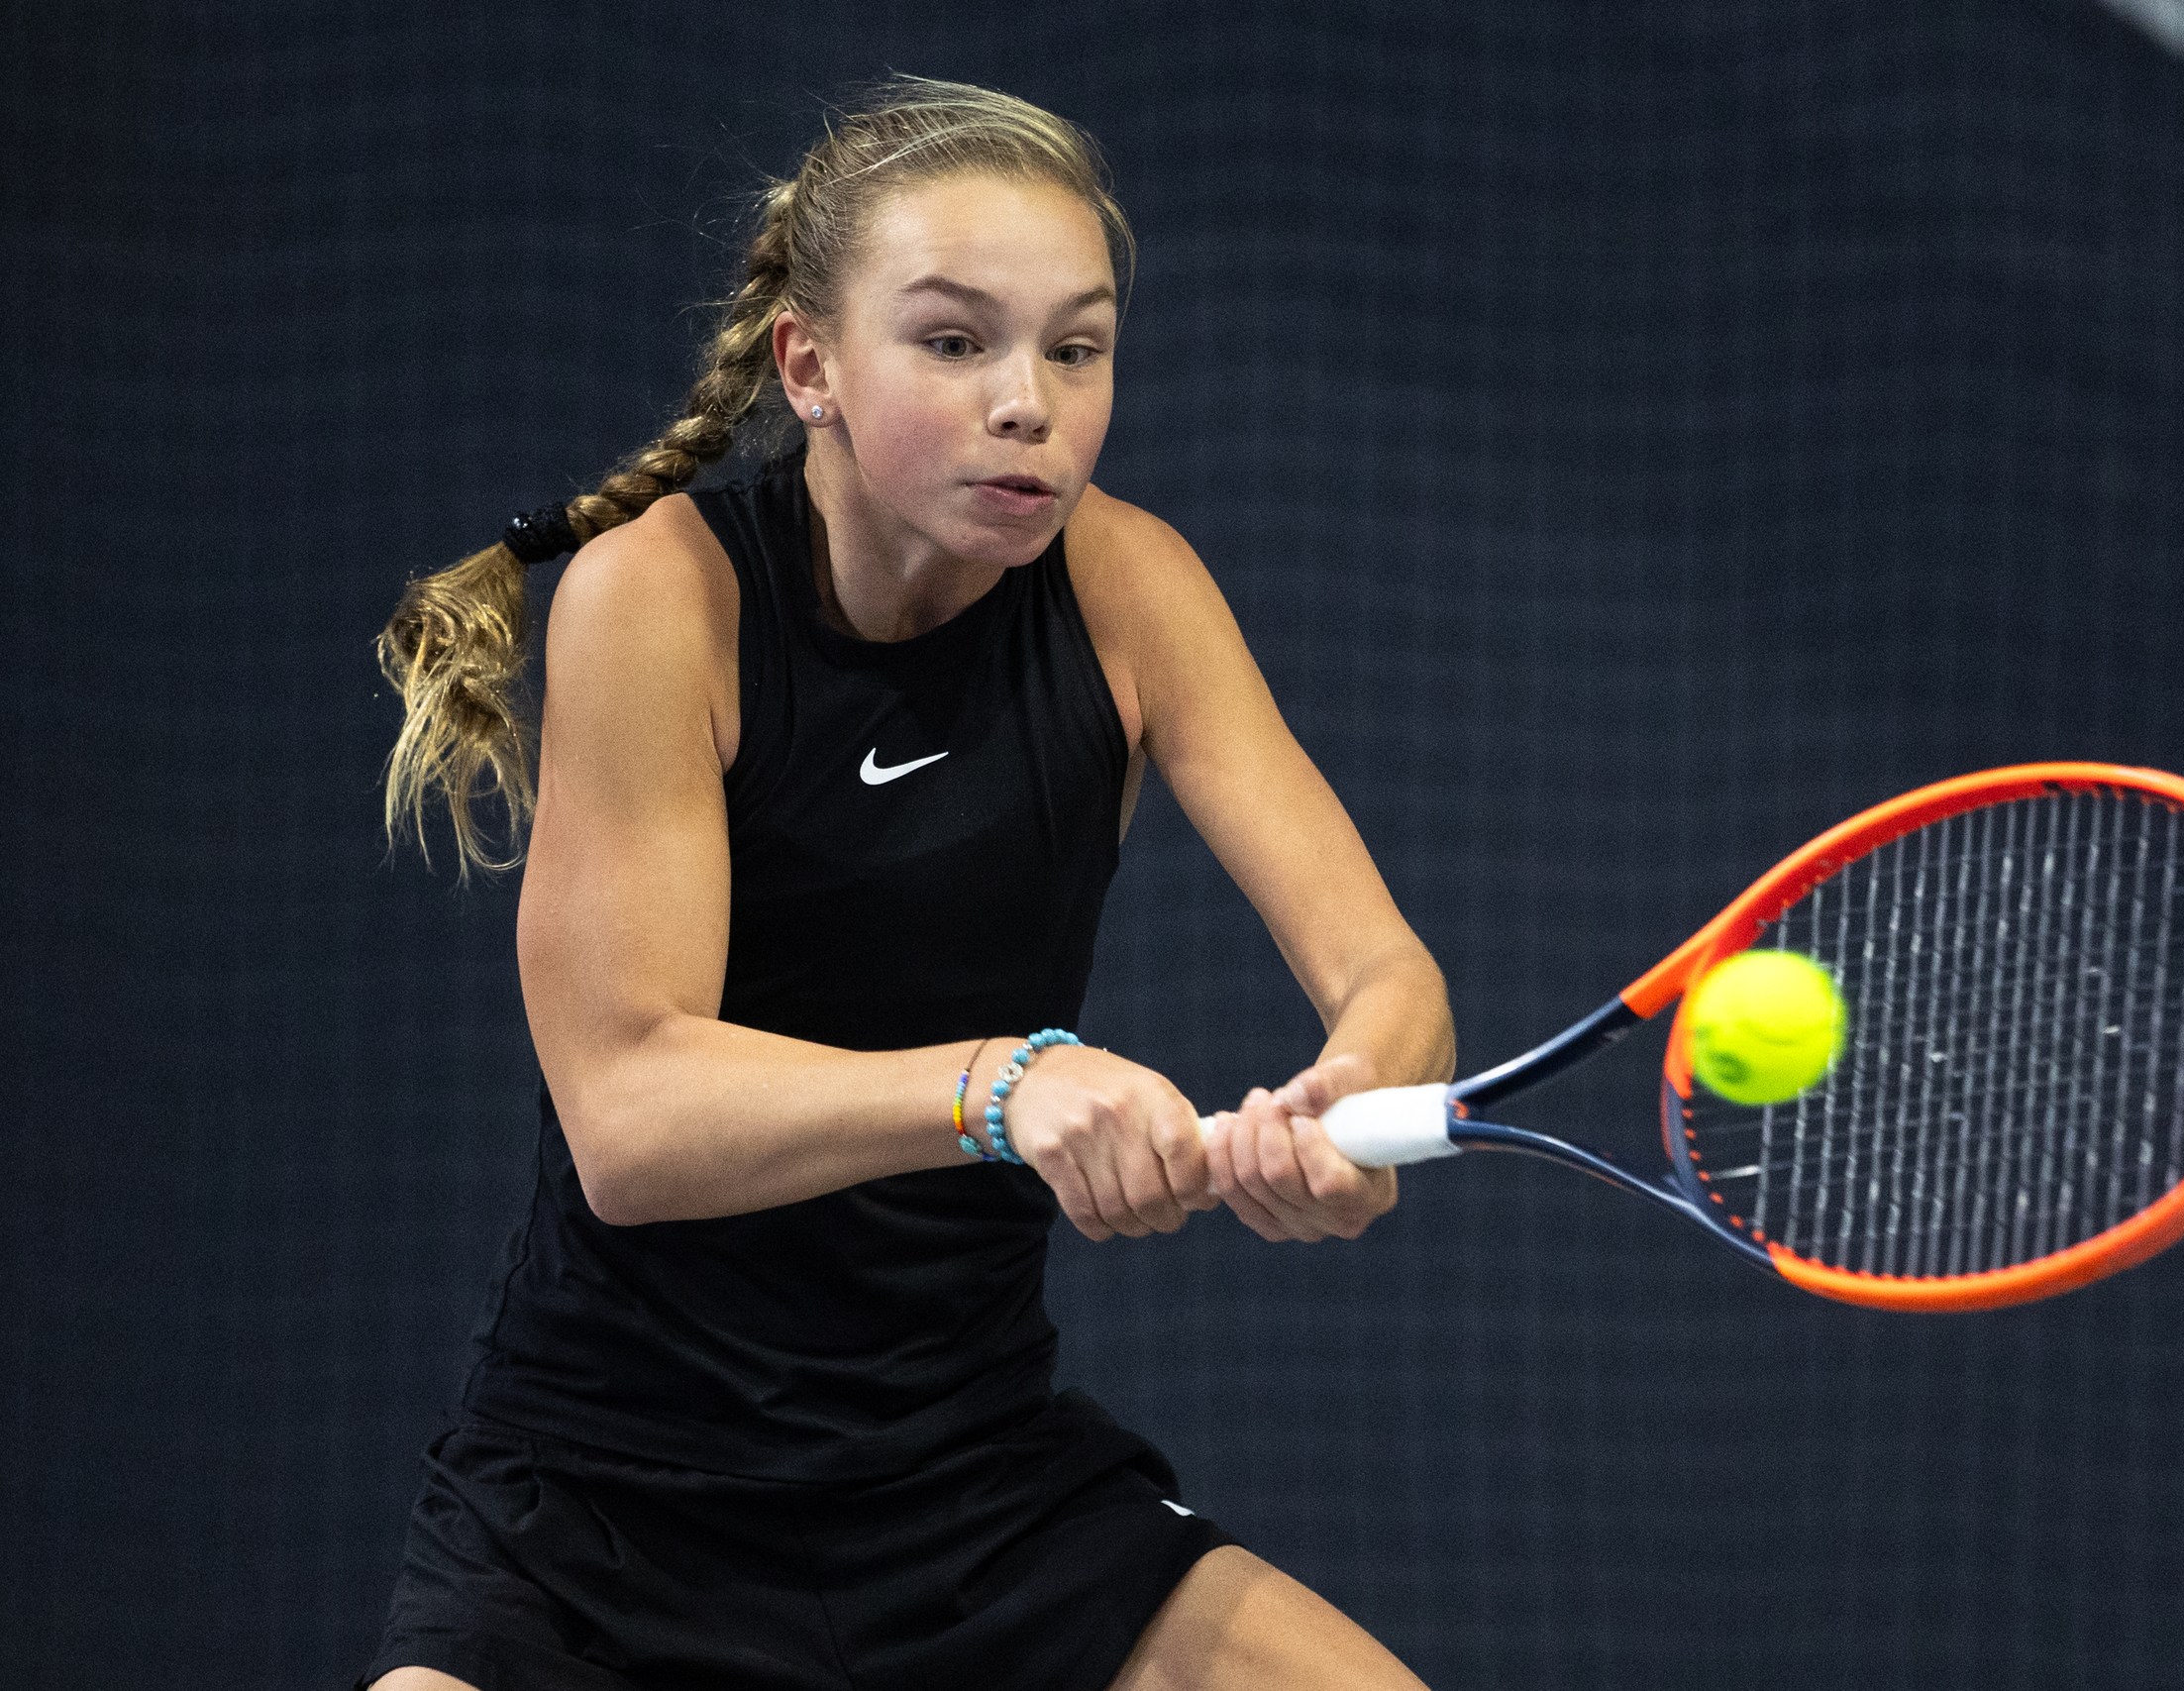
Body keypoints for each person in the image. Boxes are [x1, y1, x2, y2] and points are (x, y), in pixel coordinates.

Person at [363, 74, 1453, 1691]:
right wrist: (1004, 1087)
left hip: (970, 1491)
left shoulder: (1131, 589)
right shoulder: (661, 599)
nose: (1030, 404)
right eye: (954, 342)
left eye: (1076, 349)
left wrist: (1354, 1104)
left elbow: (1390, 976)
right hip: (603, 1514)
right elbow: (629, 1119)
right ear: (809, 365)